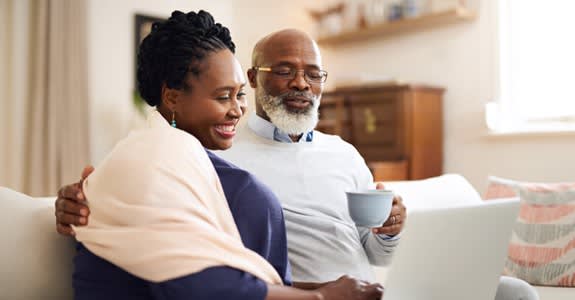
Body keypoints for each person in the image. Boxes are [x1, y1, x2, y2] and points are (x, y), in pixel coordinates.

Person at [66, 10, 382, 300]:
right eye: (223, 96)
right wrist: (323, 297)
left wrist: (330, 288)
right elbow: (198, 285)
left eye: (239, 94)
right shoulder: (154, 156)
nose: (238, 109)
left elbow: (241, 279)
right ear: (173, 97)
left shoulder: (183, 159)